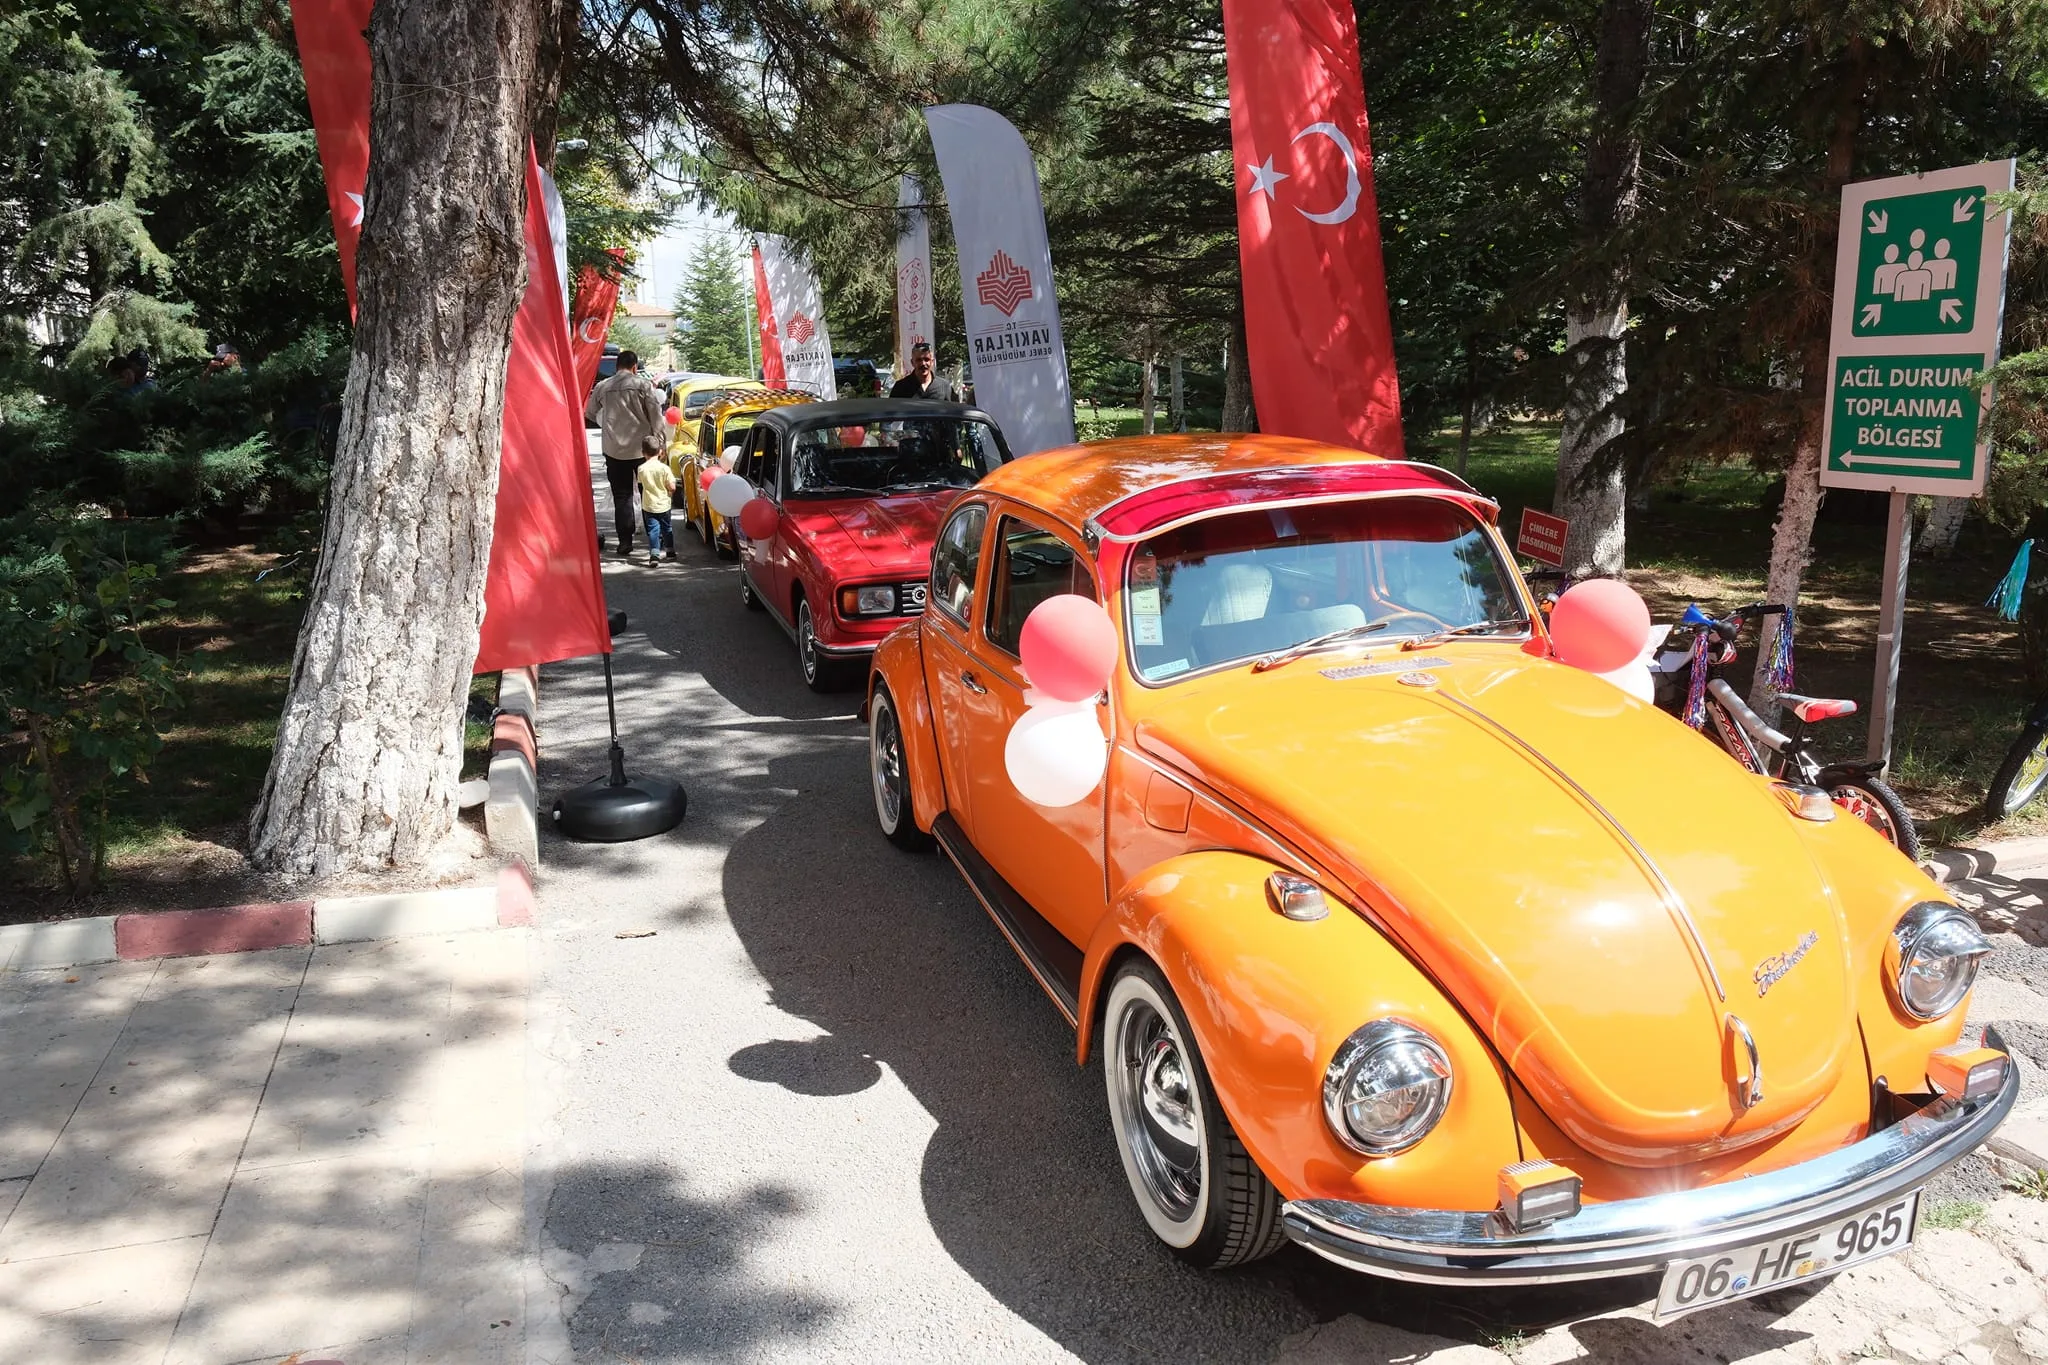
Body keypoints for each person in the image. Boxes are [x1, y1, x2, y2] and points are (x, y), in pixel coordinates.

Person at [585, 349, 666, 554]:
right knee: (649, 491)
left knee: (622, 496)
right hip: (643, 450)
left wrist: (608, 422)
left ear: (616, 366)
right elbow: (656, 416)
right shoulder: (643, 385)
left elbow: (590, 413)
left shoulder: (603, 387)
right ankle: (655, 539)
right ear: (635, 367)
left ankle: (625, 542)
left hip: (614, 450)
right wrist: (660, 442)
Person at [637, 435, 676, 564]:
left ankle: (654, 553)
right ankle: (670, 550)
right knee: (667, 528)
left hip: (649, 505)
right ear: (660, 451)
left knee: (653, 530)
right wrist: (670, 491)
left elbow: (641, 484)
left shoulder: (641, 469)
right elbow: (672, 486)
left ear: (643, 453)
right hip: (664, 504)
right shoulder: (665, 468)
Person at [889, 341, 954, 401]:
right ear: (912, 362)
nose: (923, 363)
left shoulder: (944, 386)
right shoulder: (900, 387)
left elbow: (953, 408)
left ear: (932, 362)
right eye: (919, 360)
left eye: (926, 359)